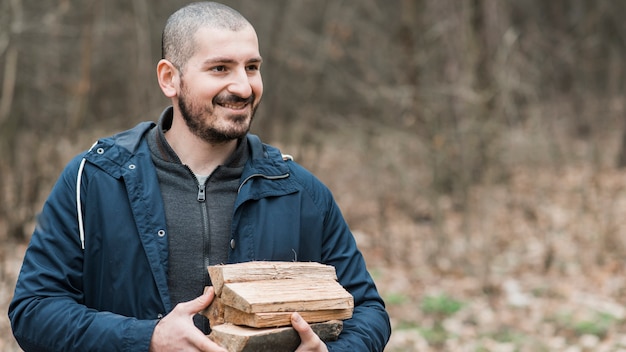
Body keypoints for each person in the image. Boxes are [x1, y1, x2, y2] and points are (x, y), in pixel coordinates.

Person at [8, 2, 391, 351]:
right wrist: (148, 339)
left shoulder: (298, 190)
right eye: (220, 68)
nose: (244, 86)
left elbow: (368, 311)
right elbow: (33, 311)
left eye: (252, 67)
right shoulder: (93, 179)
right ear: (169, 78)